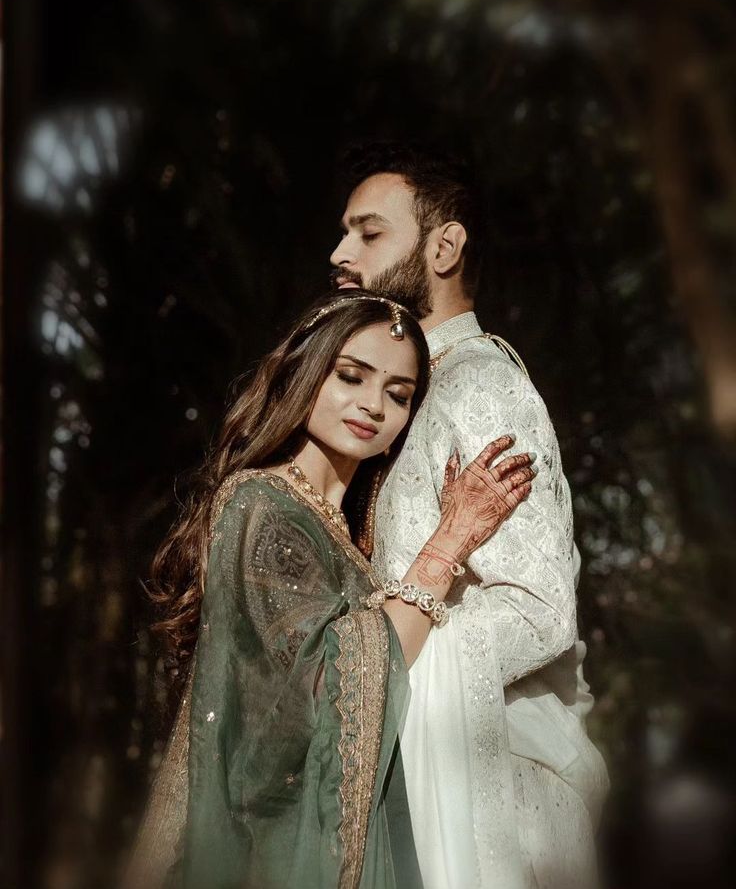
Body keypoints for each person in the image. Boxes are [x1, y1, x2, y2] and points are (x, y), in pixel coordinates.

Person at [122, 290, 537, 889]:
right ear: (305, 375)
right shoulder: (258, 502)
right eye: (351, 377)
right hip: (266, 848)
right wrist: (449, 544)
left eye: (398, 395)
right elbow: (319, 682)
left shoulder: (343, 533)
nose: (373, 405)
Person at [330, 142, 610, 889]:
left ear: (445, 245)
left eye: (368, 231)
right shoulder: (412, 396)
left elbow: (542, 610)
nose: (339, 252)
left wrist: (372, 666)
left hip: (501, 804)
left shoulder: (482, 383)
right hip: (419, 788)